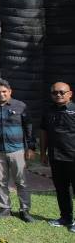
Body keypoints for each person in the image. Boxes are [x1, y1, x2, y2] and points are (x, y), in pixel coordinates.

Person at [0, 79, 35, 222]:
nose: (1, 94)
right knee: (0, 181)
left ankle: (25, 210)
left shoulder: (20, 106)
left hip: (17, 150)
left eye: (4, 91)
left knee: (21, 181)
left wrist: (31, 147)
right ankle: (4, 208)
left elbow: (29, 127)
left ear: (10, 91)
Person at [41, 82, 75, 233]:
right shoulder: (48, 111)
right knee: (61, 189)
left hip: (73, 157)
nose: (58, 95)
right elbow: (44, 133)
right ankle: (65, 218)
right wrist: (43, 153)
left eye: (62, 92)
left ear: (70, 94)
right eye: (55, 93)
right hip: (56, 157)